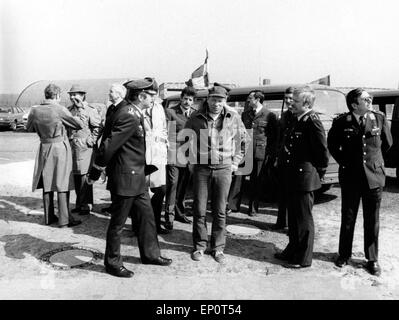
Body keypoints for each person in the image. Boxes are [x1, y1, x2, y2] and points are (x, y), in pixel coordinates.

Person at [88, 81, 172, 278]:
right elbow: (108, 145)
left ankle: (151, 255)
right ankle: (112, 263)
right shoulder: (129, 114)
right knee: (117, 224)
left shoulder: (130, 111)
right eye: (151, 95)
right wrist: (96, 169)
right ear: (141, 96)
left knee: (147, 218)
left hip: (137, 176)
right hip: (126, 178)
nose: (154, 99)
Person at [327, 88, 392, 276]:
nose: (369, 100)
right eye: (365, 98)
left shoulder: (378, 118)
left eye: (369, 97)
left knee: (372, 219)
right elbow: (332, 144)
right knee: (348, 217)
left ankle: (372, 259)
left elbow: (387, 144)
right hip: (350, 176)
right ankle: (344, 254)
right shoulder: (342, 121)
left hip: (374, 177)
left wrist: (374, 163)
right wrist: (346, 162)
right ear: (355, 104)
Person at [185, 84, 250, 264]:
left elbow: (243, 141)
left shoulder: (233, 117)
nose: (216, 103)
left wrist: (236, 161)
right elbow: (185, 139)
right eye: (213, 99)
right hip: (202, 169)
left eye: (220, 100)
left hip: (223, 168)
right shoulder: (196, 117)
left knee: (220, 211)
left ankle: (218, 248)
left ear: (225, 101)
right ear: (207, 99)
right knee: (199, 210)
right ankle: (199, 246)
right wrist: (191, 160)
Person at [274, 86, 329, 268]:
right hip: (292, 176)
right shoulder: (296, 119)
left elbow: (322, 152)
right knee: (294, 218)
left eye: (295, 101)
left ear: (305, 103)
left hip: (304, 177)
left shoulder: (311, 121)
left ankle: (303, 258)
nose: (291, 103)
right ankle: (292, 249)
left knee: (304, 220)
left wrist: (315, 173)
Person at [26, 84, 83, 228]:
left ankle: (49, 217)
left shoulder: (35, 110)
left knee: (47, 182)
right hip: (59, 148)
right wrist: (80, 108)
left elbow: (29, 128)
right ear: (57, 96)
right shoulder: (60, 109)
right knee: (62, 182)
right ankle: (64, 220)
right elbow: (78, 125)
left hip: (44, 147)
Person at [164, 86, 198, 230]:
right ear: (181, 98)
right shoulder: (171, 112)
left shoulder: (196, 114)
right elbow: (169, 134)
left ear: (193, 101)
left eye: (190, 99)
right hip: (174, 155)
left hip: (190, 156)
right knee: (172, 185)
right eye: (185, 98)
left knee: (184, 187)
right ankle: (169, 216)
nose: (187, 102)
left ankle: (179, 213)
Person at [139, 81, 170, 235]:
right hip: (142, 156)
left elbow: (163, 129)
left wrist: (164, 146)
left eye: (154, 94)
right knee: (141, 193)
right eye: (150, 94)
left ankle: (156, 224)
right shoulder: (138, 109)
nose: (153, 97)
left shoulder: (159, 108)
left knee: (159, 191)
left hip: (158, 155)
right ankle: (139, 226)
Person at [241, 90, 278, 216]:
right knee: (238, 178)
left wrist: (270, 154)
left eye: (250, 98)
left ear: (257, 100)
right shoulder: (245, 114)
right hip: (245, 151)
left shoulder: (269, 115)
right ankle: (233, 205)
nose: (248, 101)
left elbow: (274, 137)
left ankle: (253, 208)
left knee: (256, 180)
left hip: (260, 153)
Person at [67, 84, 102, 215]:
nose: (72, 97)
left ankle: (86, 205)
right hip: (73, 147)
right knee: (76, 176)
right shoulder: (69, 109)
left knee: (84, 176)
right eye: (71, 94)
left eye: (75, 94)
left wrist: (91, 140)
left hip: (85, 148)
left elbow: (98, 128)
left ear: (82, 95)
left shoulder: (90, 110)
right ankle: (79, 203)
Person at [273, 87, 295, 230]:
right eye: (285, 98)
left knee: (293, 196)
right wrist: (276, 156)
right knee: (282, 192)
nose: (287, 101)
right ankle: (282, 223)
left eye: (290, 98)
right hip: (283, 159)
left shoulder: (300, 116)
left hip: (295, 161)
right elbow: (280, 138)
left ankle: (291, 226)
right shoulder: (285, 116)